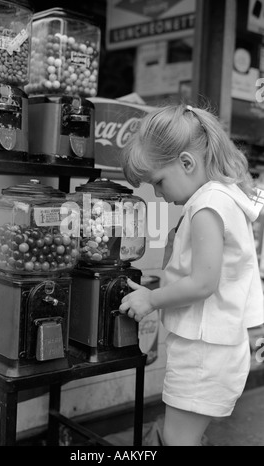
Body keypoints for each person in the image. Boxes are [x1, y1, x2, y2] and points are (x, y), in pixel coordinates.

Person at [119, 104, 264, 446]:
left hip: (205, 352)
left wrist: (150, 300)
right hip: (217, 347)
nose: (158, 194)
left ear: (186, 163)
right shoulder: (225, 197)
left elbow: (203, 282)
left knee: (178, 438)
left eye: (158, 182)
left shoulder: (206, 205)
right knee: (185, 435)